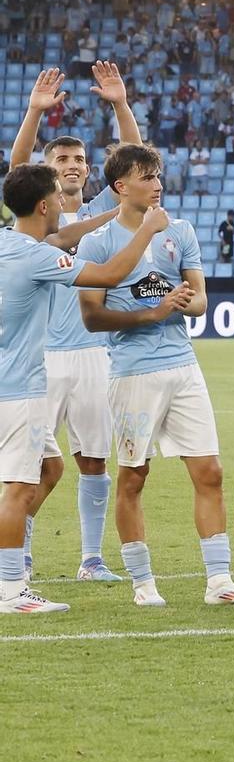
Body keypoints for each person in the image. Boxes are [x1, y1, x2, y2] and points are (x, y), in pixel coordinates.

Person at [79, 142, 234, 605]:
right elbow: (91, 317)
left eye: (158, 175)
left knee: (210, 471)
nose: (158, 184)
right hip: (132, 372)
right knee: (133, 476)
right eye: (146, 177)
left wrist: (184, 303)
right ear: (121, 187)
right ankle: (144, 585)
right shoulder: (98, 241)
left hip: (183, 365)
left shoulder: (179, 231)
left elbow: (201, 302)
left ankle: (220, 582)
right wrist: (150, 314)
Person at [0, 165, 169, 615]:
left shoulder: (6, 242)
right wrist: (147, 228)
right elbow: (111, 274)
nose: (62, 204)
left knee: (51, 468)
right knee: (18, 489)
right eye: (57, 197)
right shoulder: (37, 257)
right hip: (18, 391)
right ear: (43, 206)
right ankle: (12, 591)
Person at [8, 63, 141, 582]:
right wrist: (35, 112)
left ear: (90, 170)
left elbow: (133, 165)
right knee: (33, 466)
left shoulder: (106, 205)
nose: (72, 164)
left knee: (92, 462)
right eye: (61, 157)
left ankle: (90, 559)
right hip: (39, 358)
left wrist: (120, 105)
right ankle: (18, 550)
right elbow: (18, 166)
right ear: (47, 170)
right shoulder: (34, 217)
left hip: (93, 354)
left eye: (80, 159)